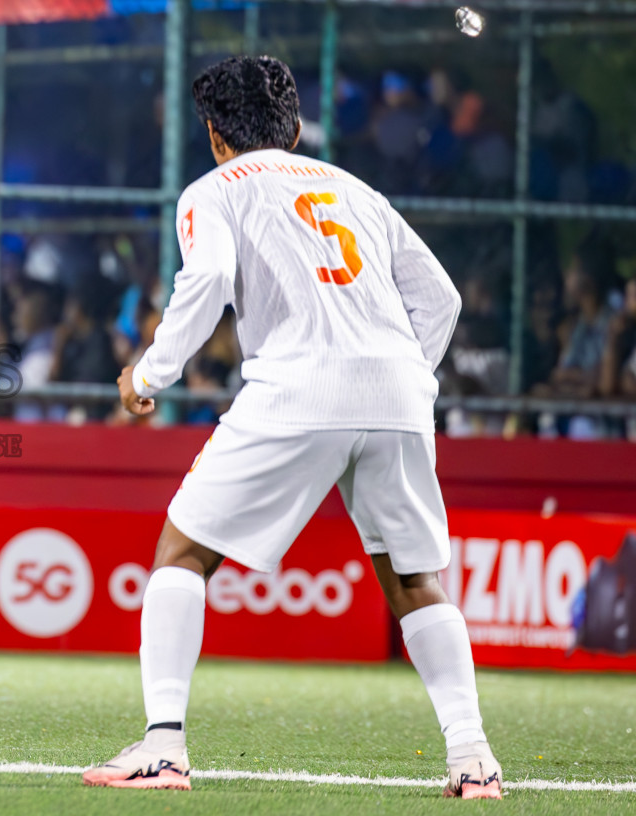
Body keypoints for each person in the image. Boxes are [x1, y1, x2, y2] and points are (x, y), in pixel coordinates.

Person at [86, 56, 501, 799]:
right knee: (414, 579)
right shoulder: (355, 189)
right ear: (297, 128)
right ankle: (473, 761)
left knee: (182, 552)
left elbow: (207, 280)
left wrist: (147, 376)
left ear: (215, 137)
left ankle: (164, 748)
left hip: (298, 386)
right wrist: (403, 380)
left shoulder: (214, 190)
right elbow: (441, 298)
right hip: (400, 391)